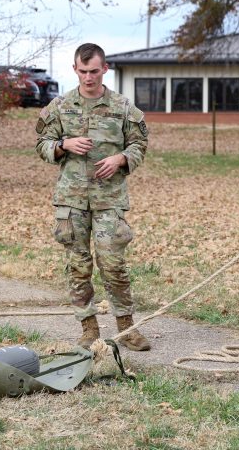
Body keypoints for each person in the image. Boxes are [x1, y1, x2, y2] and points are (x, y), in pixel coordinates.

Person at [35, 43, 151, 352]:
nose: (89, 77)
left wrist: (121, 159)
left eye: (94, 71)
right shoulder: (60, 107)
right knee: (78, 264)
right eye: (83, 71)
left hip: (109, 197)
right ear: (75, 70)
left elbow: (140, 143)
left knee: (112, 262)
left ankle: (127, 328)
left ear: (105, 69)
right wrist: (64, 144)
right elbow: (42, 144)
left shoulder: (123, 107)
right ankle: (88, 327)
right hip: (72, 199)